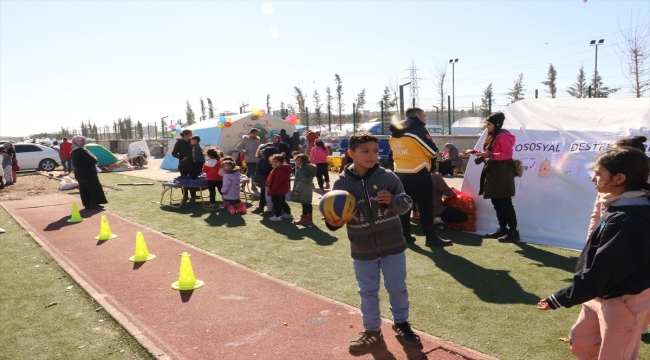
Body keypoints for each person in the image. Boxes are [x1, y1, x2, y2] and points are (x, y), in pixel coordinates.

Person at [537, 147, 650, 360]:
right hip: (600, 292)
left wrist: (560, 298)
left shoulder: (629, 218)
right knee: (582, 341)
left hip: (625, 298)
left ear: (619, 178)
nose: (593, 178)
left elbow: (606, 266)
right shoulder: (622, 206)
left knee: (615, 355)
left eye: (598, 173)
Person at [324, 132, 419, 352]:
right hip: (362, 248)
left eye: (375, 151)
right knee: (367, 291)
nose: (371, 155)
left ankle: (402, 323)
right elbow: (334, 215)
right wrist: (333, 222)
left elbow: (406, 203)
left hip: (393, 245)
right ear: (351, 153)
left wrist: (393, 202)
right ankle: (372, 330)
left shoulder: (388, 177)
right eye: (365, 151)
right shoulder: (341, 182)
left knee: (397, 287)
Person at [388, 107, 451, 247]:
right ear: (417, 116)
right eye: (424, 115)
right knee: (425, 207)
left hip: (399, 174)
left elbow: (391, 156)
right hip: (418, 174)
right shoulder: (418, 130)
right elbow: (433, 151)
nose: (425, 118)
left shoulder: (394, 132)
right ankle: (431, 238)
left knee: (404, 207)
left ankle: (405, 236)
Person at [463, 112, 519, 242]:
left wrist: (491, 156)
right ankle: (503, 229)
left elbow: (507, 154)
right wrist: (473, 152)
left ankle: (513, 232)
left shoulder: (503, 136)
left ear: (497, 124)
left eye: (489, 124)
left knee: (505, 203)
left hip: (502, 173)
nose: (486, 126)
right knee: (497, 203)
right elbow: (489, 153)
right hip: (494, 172)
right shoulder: (493, 135)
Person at [587, 135, 648, 240]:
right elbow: (597, 215)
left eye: (617, 153)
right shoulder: (605, 188)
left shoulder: (632, 213)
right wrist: (591, 239)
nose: (593, 179)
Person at [70, 136, 108, 210]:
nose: (84, 142)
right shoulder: (80, 150)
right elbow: (91, 159)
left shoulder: (73, 150)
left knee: (84, 188)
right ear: (78, 141)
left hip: (79, 173)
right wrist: (95, 161)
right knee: (94, 187)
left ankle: (87, 204)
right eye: (82, 141)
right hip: (87, 172)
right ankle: (94, 204)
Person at [252, 143, 279, 215]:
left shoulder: (272, 162)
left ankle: (272, 209)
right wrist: (257, 179)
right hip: (265, 180)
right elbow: (259, 170)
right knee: (264, 194)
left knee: (270, 196)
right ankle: (262, 207)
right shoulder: (264, 161)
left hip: (269, 181)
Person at [290, 154, 317, 226]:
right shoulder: (309, 168)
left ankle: (304, 219)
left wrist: (297, 190)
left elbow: (301, 181)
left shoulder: (302, 170)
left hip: (303, 190)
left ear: (304, 161)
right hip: (307, 189)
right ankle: (309, 219)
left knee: (305, 204)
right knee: (308, 204)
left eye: (299, 160)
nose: (297, 162)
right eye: (296, 160)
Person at [266, 153, 293, 222]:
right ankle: (287, 213)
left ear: (281, 162)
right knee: (282, 202)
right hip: (282, 189)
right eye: (273, 162)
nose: (274, 164)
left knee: (276, 203)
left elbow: (277, 182)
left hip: (278, 190)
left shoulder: (279, 170)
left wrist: (272, 190)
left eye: (276, 162)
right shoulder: (281, 169)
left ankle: (277, 216)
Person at [171, 130, 196, 199]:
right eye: (190, 134)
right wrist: (181, 157)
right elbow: (174, 153)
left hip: (192, 164)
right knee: (183, 180)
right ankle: (185, 195)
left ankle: (193, 195)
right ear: (185, 135)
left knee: (192, 180)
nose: (191, 136)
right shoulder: (179, 143)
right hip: (183, 165)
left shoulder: (193, 142)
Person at [236, 129, 262, 195]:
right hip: (249, 158)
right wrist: (244, 152)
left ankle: (253, 186)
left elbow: (259, 147)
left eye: (256, 134)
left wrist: (260, 153)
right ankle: (243, 185)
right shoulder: (246, 139)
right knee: (250, 171)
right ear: (250, 133)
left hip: (256, 158)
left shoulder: (258, 139)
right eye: (254, 134)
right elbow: (239, 147)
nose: (255, 135)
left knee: (255, 172)